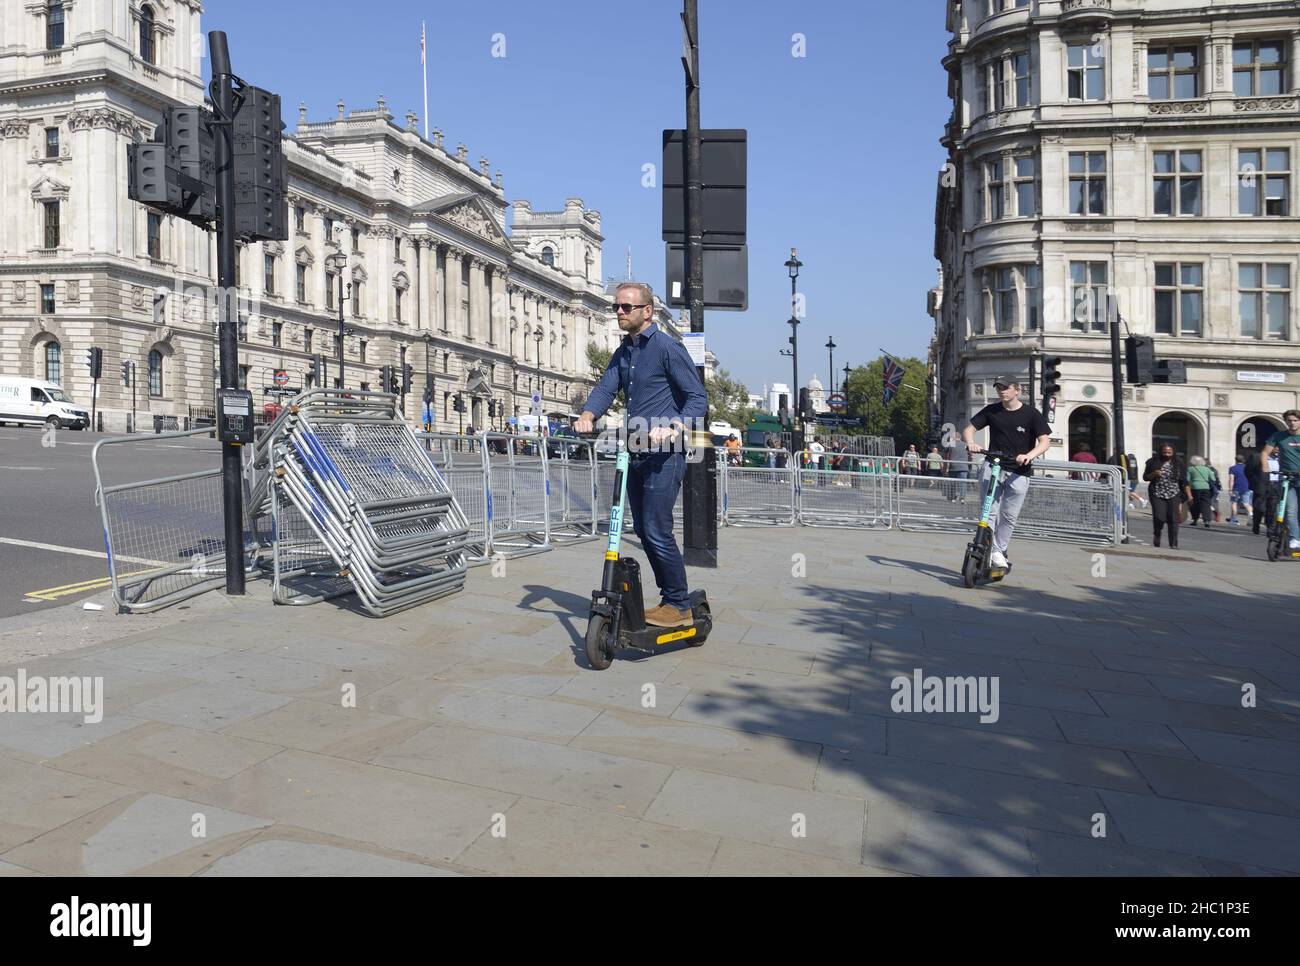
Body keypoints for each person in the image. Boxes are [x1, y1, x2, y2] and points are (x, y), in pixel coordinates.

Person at [575, 281, 707, 628]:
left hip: (666, 452)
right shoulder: (625, 351)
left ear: (647, 312)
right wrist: (589, 414)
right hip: (634, 450)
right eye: (616, 306)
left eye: (626, 307)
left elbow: (698, 399)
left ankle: (679, 603)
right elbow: (607, 386)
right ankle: (670, 598)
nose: (619, 312)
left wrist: (675, 426)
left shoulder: (667, 348)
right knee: (644, 529)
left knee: (656, 527)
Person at [961, 375, 1052, 571]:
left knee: (1009, 515)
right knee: (989, 511)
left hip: (1019, 471)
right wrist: (971, 442)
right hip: (992, 466)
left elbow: (1045, 441)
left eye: (1006, 387)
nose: (1002, 391)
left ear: (1017, 390)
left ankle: (999, 550)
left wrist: (1029, 455)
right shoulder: (992, 411)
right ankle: (988, 546)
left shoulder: (1031, 414)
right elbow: (968, 429)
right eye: (999, 387)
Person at [1261, 409, 1300, 552]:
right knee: (1289, 511)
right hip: (1287, 477)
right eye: (1289, 420)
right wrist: (1265, 466)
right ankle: (1295, 538)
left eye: (1295, 420)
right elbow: (1265, 452)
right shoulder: (1278, 436)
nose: (1292, 423)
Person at [1143, 444, 1190, 549]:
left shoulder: (1178, 463)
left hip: (1174, 493)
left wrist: (1189, 495)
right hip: (1157, 493)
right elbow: (1145, 477)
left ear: (1173, 453)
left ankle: (1173, 543)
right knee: (1159, 517)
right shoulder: (1153, 462)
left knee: (1173, 519)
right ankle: (1157, 533)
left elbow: (1184, 480)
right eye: (1164, 453)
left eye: (1169, 453)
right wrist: (1153, 474)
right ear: (1161, 452)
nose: (1167, 455)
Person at [1187, 455, 1215, 528]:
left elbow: (1187, 479)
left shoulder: (1190, 469)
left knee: (1195, 504)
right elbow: (1213, 479)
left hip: (1195, 488)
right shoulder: (1207, 469)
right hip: (1206, 488)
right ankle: (1207, 521)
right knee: (1206, 504)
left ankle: (1195, 520)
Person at [1227, 454, 1251, 525]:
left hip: (1236, 488)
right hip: (1246, 487)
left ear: (1236, 460)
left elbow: (1231, 479)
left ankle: (1234, 519)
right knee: (1246, 504)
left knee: (1234, 503)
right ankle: (1251, 518)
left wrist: (1230, 489)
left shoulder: (1232, 468)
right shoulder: (1247, 468)